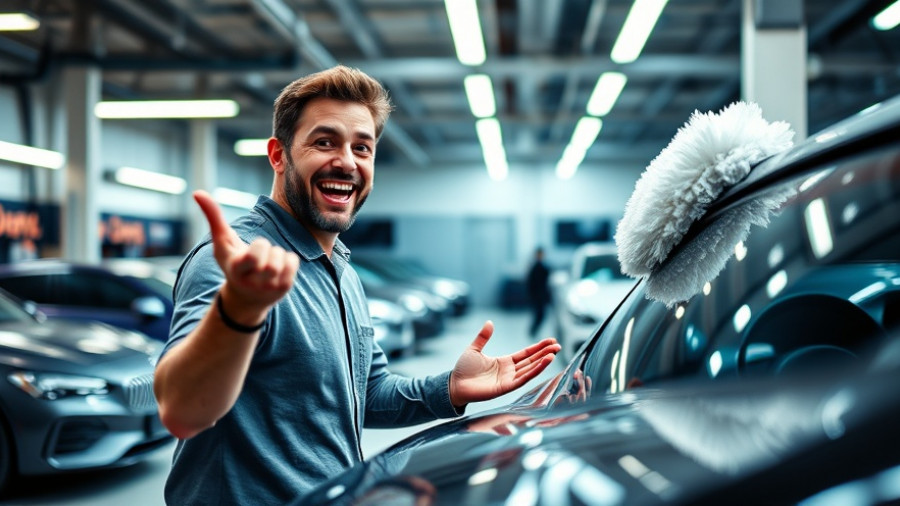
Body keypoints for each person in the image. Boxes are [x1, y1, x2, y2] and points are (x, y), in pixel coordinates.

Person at [152, 65, 561, 505]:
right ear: (278, 154)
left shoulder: (341, 269)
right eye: (324, 141)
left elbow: (367, 393)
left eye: (362, 148)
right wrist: (239, 312)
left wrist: (449, 390)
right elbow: (181, 411)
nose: (346, 162)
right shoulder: (234, 261)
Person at [526, 246, 551, 337]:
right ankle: (532, 332)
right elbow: (531, 283)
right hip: (537, 296)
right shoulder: (535, 267)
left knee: (540, 315)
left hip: (541, 295)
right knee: (539, 315)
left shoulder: (540, 266)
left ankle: (533, 332)